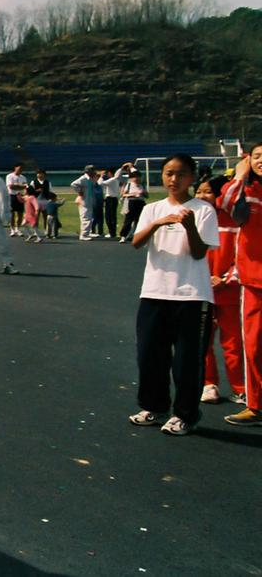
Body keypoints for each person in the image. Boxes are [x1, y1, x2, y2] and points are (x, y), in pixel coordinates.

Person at [128, 153, 218, 436]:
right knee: (149, 356)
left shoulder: (203, 210)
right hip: (155, 293)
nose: (173, 179)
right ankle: (155, 407)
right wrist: (155, 224)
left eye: (180, 174)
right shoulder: (153, 209)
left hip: (192, 295)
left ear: (192, 178)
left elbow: (199, 252)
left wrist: (189, 226)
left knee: (187, 362)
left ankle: (186, 414)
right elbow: (136, 243)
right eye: (168, 173)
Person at [219, 145, 262, 426]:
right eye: (257, 156)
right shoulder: (248, 191)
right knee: (254, 347)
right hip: (253, 281)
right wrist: (239, 176)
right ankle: (256, 406)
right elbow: (227, 205)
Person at [195, 176, 245, 405]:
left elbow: (244, 257)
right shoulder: (193, 221)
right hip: (200, 291)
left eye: (208, 192)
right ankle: (209, 384)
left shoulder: (235, 224)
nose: (202, 196)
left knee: (233, 343)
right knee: (202, 341)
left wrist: (225, 279)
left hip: (229, 292)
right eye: (199, 191)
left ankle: (241, 388)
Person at [98, 163, 132, 239]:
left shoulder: (112, 180)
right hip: (113, 199)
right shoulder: (115, 180)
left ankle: (112, 233)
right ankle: (112, 232)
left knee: (109, 217)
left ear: (110, 173)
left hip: (110, 199)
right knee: (112, 216)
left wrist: (101, 176)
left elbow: (100, 183)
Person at [70, 164, 99, 240]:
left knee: (89, 218)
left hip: (89, 200)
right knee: (85, 218)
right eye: (93, 171)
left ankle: (87, 232)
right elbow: (73, 184)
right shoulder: (83, 178)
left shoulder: (91, 179)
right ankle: (83, 235)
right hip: (84, 201)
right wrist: (80, 191)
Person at [119, 169, 148, 243]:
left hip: (140, 203)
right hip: (131, 202)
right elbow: (123, 195)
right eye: (135, 177)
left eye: (138, 177)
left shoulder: (142, 185)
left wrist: (143, 193)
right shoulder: (129, 185)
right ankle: (123, 236)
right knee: (128, 220)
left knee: (139, 220)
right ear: (131, 178)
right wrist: (134, 194)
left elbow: (147, 196)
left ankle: (137, 235)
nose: (137, 179)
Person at [6, 163, 28, 236]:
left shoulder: (23, 177)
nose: (20, 170)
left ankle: (17, 229)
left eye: (22, 169)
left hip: (21, 196)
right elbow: (11, 187)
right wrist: (21, 186)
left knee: (20, 213)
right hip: (12, 196)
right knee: (12, 213)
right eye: (19, 169)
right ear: (15, 168)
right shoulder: (9, 176)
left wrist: (18, 186)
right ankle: (12, 229)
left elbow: (25, 187)